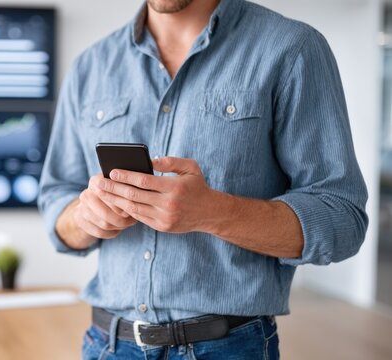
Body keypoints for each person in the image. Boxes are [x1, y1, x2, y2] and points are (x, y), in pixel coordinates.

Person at [38, 0, 369, 358]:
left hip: (229, 348)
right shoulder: (90, 66)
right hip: (108, 345)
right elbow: (56, 202)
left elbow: (341, 217)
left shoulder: (293, 49)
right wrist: (84, 218)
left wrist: (212, 212)